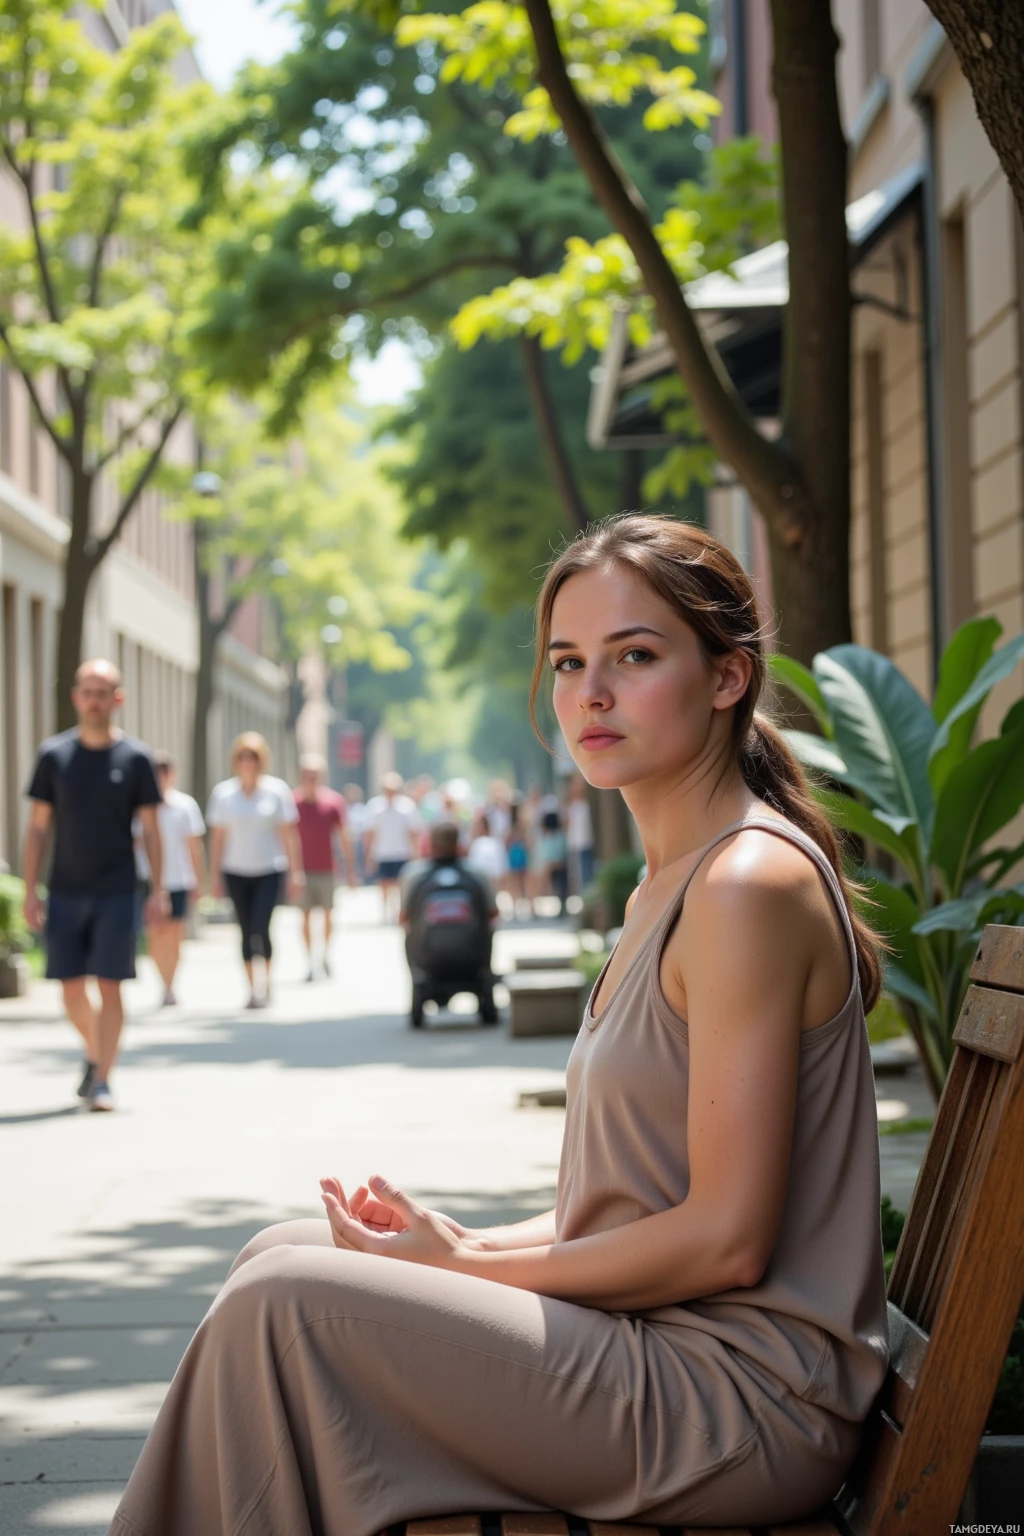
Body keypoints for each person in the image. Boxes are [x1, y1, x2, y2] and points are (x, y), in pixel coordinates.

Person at [107, 514, 888, 1534]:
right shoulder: (671, 883)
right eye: (567, 663)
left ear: (728, 677)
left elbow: (725, 1242)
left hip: (736, 1401)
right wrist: (459, 1240)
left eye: (634, 656)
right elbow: (631, 1202)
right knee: (280, 1254)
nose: (588, 694)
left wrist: (464, 1268)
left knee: (281, 1307)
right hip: (659, 1351)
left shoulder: (745, 882)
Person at [22, 660, 165, 1113]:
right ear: (75, 697)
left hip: (118, 888)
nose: (95, 699)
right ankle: (95, 1050)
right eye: (87, 690)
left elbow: (151, 829)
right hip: (64, 887)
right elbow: (38, 827)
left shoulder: (136, 758)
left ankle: (103, 1079)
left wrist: (158, 889)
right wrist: (30, 888)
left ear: (117, 698)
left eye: (103, 691)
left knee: (109, 985)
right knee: (69, 988)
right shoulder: (54, 755)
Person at [206, 733, 303, 1009]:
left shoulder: (277, 791)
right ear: (236, 761)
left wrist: (296, 872)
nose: (248, 762)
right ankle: (252, 989)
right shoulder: (224, 794)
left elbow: (288, 835)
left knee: (262, 926)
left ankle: (268, 981)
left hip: (269, 869)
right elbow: (218, 839)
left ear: (262, 761)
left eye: (253, 757)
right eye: (243, 757)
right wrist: (213, 876)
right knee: (246, 929)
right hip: (235, 870)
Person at [134, 752, 205, 1008]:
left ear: (172, 775)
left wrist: (198, 880)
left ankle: (171, 984)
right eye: (156, 772)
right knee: (155, 933)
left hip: (179, 879)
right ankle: (163, 983)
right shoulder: (139, 806)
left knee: (175, 934)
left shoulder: (185, 806)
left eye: (165, 771)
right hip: (147, 880)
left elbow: (194, 846)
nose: (160, 777)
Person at [294, 753, 356, 981]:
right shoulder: (293, 803)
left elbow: (344, 837)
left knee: (329, 915)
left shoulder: (333, 802)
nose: (311, 779)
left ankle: (325, 955)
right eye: (307, 775)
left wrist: (350, 870)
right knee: (305, 917)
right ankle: (310, 961)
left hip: (327, 869)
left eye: (315, 775)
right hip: (302, 870)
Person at [363, 770, 422, 924]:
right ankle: (385, 913)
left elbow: (413, 833)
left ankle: (398, 912)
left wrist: (416, 855)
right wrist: (369, 856)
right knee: (383, 885)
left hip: (402, 853)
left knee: (400, 885)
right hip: (382, 853)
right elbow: (370, 833)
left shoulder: (407, 806)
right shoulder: (375, 806)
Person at [565, 774, 596, 895]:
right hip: (575, 843)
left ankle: (588, 894)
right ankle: (581, 893)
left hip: (586, 841)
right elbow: (566, 824)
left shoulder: (586, 804)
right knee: (577, 872)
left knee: (587, 869)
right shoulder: (570, 806)